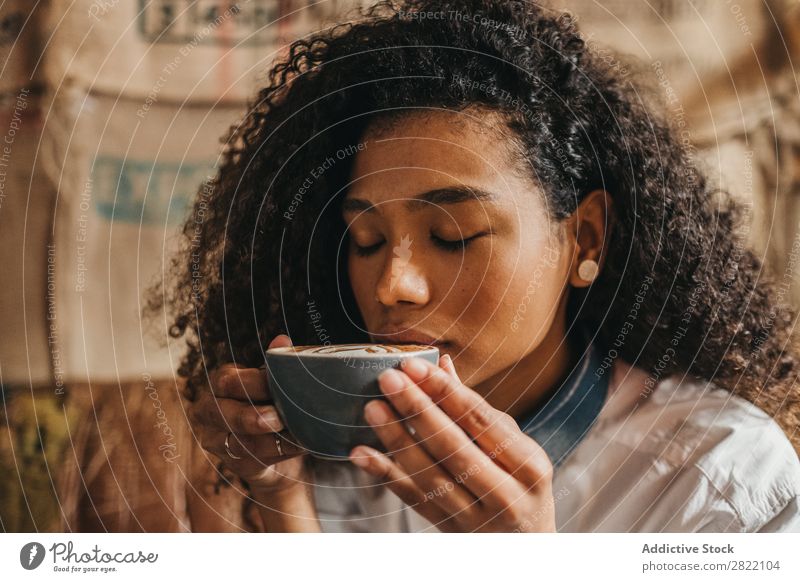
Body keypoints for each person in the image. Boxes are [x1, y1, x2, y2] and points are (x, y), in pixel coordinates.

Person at [149, 0, 800, 532]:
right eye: (368, 239)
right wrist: (278, 492)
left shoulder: (724, 479)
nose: (392, 285)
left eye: (453, 235)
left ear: (587, 240)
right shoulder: (337, 454)